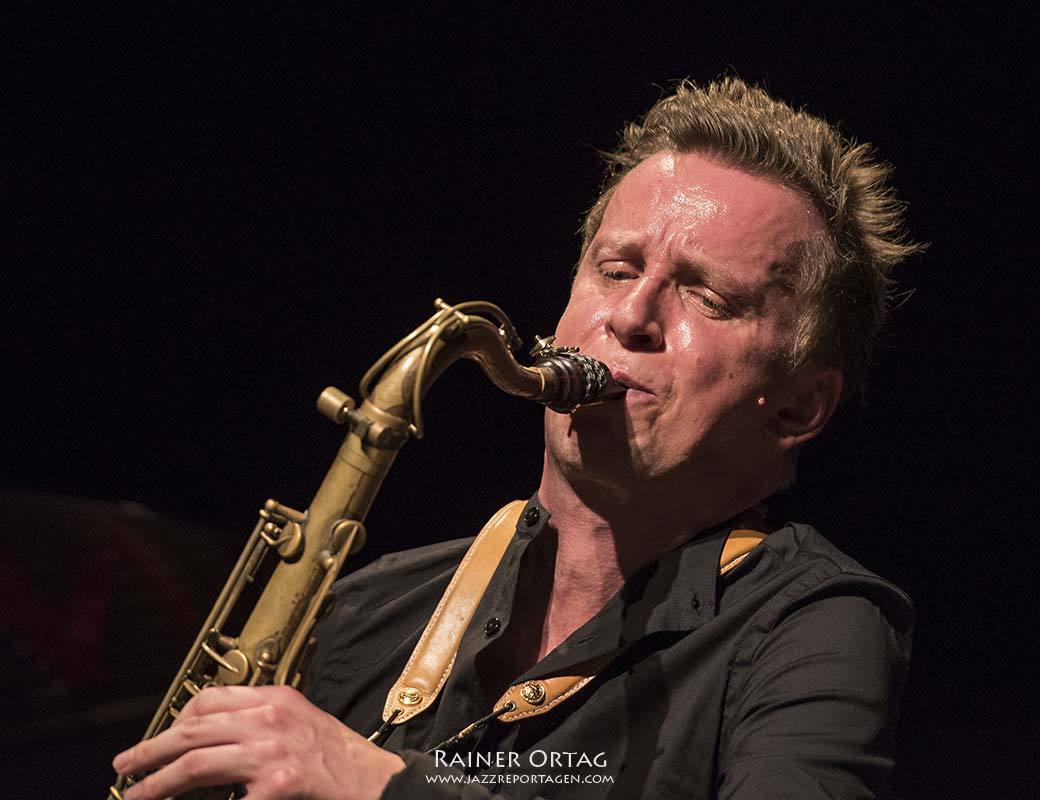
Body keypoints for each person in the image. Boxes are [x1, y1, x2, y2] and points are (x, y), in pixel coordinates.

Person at [113, 77, 921, 799]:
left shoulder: (816, 628)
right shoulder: (369, 606)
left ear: (797, 409)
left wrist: (388, 789)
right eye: (615, 269)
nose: (631, 316)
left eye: (707, 297)